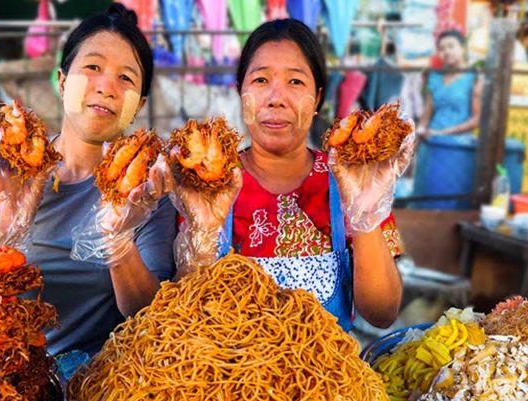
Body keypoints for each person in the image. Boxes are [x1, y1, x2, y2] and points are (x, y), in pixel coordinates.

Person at [0, 3, 176, 358]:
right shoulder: (5, 172)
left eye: (126, 78)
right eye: (92, 67)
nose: (106, 86)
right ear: (61, 81)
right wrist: (1, 229)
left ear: (139, 105)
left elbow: (151, 312)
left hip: (101, 389)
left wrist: (117, 241)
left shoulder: (147, 190)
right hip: (10, 372)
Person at [171, 19, 409, 329]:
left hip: (330, 375)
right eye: (260, 81)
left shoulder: (353, 179)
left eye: (295, 82)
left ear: (318, 99)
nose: (276, 98)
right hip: (227, 374)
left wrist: (364, 215)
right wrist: (202, 233)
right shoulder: (207, 184)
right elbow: (179, 319)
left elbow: (382, 314)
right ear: (240, 92)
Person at [416, 30, 483, 140]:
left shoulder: (474, 77)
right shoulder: (434, 78)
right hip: (432, 141)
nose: (446, 52)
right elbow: (425, 117)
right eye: (442, 49)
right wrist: (419, 135)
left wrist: (442, 133)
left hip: (459, 145)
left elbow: (477, 120)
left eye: (451, 46)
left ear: (462, 48)